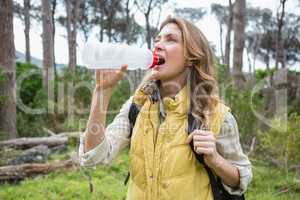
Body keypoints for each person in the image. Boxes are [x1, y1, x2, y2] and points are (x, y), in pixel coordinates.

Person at [79, 16, 252, 200]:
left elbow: (240, 180)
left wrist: (216, 160)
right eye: (157, 40)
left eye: (170, 39)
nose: (158, 45)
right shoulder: (137, 105)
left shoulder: (217, 115)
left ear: (191, 58)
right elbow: (94, 156)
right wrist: (102, 92)